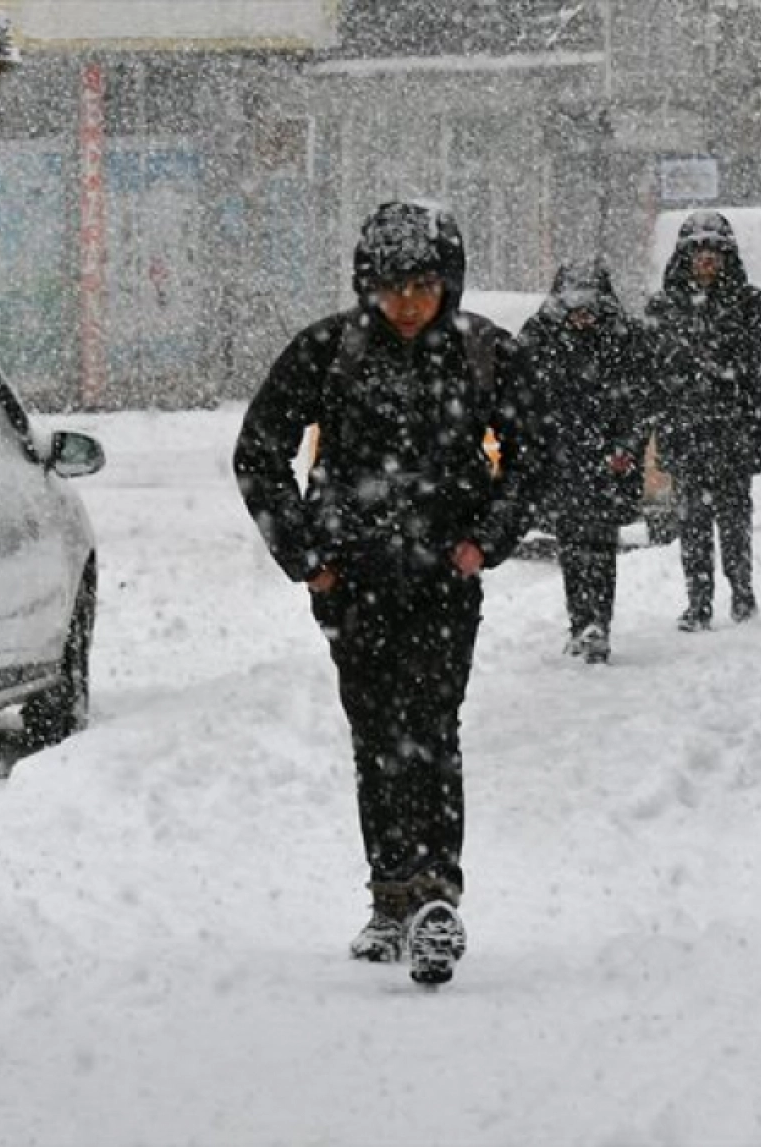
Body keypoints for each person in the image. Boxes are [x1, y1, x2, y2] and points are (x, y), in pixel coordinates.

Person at [232, 201, 541, 985]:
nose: (408, 302)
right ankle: (390, 892)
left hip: (443, 579)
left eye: (424, 285)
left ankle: (437, 894)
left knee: (432, 727)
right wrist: (309, 557)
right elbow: (258, 453)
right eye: (394, 285)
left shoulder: (483, 355)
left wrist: (486, 541)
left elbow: (537, 454)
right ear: (368, 283)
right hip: (354, 582)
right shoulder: (328, 352)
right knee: (376, 733)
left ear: (449, 284)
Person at [645, 210, 761, 631]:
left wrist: (733, 364)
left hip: (734, 430)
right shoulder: (664, 306)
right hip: (686, 431)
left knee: (735, 517)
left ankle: (742, 593)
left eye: (714, 253)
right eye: (699, 253)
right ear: (685, 257)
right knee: (692, 521)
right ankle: (698, 601)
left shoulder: (751, 302)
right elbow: (648, 364)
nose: (707, 261)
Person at [518, 259, 650, 664]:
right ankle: (582, 623)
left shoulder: (623, 337)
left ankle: (598, 626)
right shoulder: (539, 335)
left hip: (607, 460)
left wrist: (626, 446)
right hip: (563, 457)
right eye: (575, 306)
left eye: (589, 306)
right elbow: (521, 394)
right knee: (573, 546)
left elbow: (641, 399)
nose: (582, 315)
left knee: (600, 545)